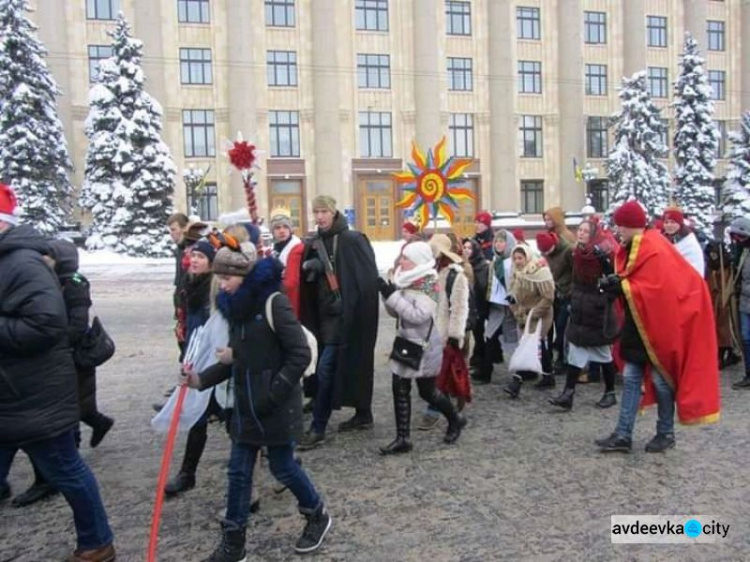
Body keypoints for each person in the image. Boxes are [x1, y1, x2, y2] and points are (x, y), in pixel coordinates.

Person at [181, 243, 331, 559]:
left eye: (226, 278)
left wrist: (274, 391)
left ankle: (317, 514)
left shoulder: (273, 304)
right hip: (245, 405)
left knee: (283, 467)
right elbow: (237, 358)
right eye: (219, 278)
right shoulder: (236, 309)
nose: (221, 285)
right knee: (238, 472)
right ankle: (234, 543)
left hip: (275, 405)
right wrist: (199, 380)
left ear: (242, 276)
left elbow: (299, 353)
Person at [0, 184, 115, 561]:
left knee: (67, 468)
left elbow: (51, 325)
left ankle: (97, 543)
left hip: (33, 392)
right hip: (17, 392)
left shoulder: (23, 265)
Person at [596, 201, 720, 453]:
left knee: (661, 381)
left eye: (621, 225)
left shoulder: (654, 246)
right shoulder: (634, 246)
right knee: (631, 378)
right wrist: (616, 283)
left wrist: (623, 287)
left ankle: (665, 432)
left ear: (631, 225)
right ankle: (623, 434)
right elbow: (637, 282)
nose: (617, 230)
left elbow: (659, 290)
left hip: (658, 326)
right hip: (639, 323)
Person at [12, 239, 117, 509]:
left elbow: (77, 325)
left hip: (74, 357)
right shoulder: (55, 281)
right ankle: (92, 429)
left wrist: (51, 343)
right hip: (66, 357)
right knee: (76, 407)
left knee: (73, 408)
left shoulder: (74, 284)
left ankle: (67, 463)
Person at [298, 196, 379, 450]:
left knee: (326, 371)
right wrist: (313, 268)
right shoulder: (315, 241)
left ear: (334, 213)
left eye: (324, 211)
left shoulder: (352, 240)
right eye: (316, 211)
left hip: (345, 319)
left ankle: (318, 427)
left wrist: (350, 307)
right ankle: (363, 414)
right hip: (323, 318)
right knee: (344, 366)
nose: (320, 216)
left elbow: (366, 280)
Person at [377, 242, 467, 454]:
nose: (401, 261)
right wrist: (386, 293)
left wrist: (392, 296)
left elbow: (419, 316)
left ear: (417, 261)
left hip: (424, 346)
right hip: (407, 341)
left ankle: (455, 418)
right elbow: (397, 313)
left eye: (405, 258)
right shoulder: (405, 279)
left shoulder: (429, 283)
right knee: (399, 386)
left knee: (428, 391)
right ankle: (403, 439)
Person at [163, 239, 225, 497]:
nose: (195, 260)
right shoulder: (190, 285)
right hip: (196, 359)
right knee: (198, 418)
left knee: (234, 419)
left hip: (217, 362)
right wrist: (186, 357)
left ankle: (280, 463)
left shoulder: (216, 289)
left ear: (211, 261)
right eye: (193, 256)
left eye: (200, 256)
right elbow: (191, 327)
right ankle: (187, 473)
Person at [549, 219, 619, 411]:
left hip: (596, 309)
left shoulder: (602, 254)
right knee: (576, 352)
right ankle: (568, 393)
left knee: (604, 353)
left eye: (585, 231)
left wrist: (601, 298)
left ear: (593, 234)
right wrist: (572, 297)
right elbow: (575, 278)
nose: (581, 233)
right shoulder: (577, 252)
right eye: (579, 230)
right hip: (580, 307)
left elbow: (614, 281)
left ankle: (610, 392)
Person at [418, 234, 472, 428]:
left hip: (448, 333)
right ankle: (444, 405)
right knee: (435, 373)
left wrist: (454, 335)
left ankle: (437, 409)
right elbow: (424, 301)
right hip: (429, 332)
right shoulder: (429, 275)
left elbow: (459, 308)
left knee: (448, 372)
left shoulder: (455, 276)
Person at [504, 245, 556, 397]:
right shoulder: (517, 273)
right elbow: (513, 293)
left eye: (520, 258)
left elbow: (548, 297)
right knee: (537, 345)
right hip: (524, 313)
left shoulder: (540, 272)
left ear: (527, 257)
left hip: (539, 313)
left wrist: (534, 315)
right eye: (515, 258)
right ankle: (548, 375)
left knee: (530, 344)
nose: (517, 261)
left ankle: (516, 381)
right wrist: (515, 308)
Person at [473, 229, 519, 385]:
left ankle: (519, 374)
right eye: (497, 241)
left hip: (509, 309)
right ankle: (486, 371)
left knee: (512, 343)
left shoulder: (513, 262)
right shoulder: (495, 261)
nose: (498, 244)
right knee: (490, 338)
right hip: (496, 307)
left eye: (502, 241)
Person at [535, 232, 573, 377]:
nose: (546, 254)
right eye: (543, 252)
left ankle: (562, 360)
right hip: (551, 294)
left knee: (562, 327)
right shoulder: (544, 254)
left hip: (566, 294)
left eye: (548, 251)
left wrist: (570, 291)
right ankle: (547, 358)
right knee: (548, 328)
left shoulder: (568, 250)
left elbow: (575, 272)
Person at [705, 240, 742, 370]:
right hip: (714, 302)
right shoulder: (710, 265)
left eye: (714, 252)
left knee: (726, 330)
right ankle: (722, 356)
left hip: (726, 303)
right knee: (717, 330)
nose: (712, 255)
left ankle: (728, 354)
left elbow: (730, 281)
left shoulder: (727, 265)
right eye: (711, 253)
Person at [270, 207, 304, 318]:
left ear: (290, 229)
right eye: (277, 227)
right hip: (278, 301)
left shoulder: (296, 249)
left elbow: (291, 283)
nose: (282, 230)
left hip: (291, 302)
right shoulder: (273, 251)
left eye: (285, 227)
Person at [463, 238, 490, 374]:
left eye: (469, 248)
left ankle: (483, 363)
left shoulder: (481, 265)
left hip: (478, 305)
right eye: (465, 247)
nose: (466, 250)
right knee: (472, 334)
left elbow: (482, 286)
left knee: (479, 335)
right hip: (468, 306)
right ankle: (476, 360)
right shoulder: (463, 264)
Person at [729, 217, 750, 388]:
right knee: (745, 337)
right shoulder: (742, 252)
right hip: (744, 301)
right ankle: (748, 373)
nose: (737, 241)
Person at [661, 207, 705, 276]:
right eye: (666, 222)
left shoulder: (688, 242)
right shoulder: (666, 238)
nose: (669, 225)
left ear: (680, 223)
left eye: (673, 222)